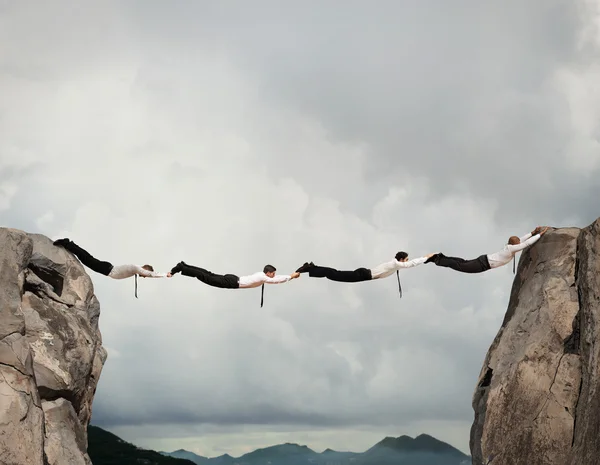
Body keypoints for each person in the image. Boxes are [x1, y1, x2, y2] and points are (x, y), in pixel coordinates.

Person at [53, 238, 169, 297]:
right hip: (107, 269)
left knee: (86, 258)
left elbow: (147, 274)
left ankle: (69, 244)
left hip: (107, 268)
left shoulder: (136, 269)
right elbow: (150, 274)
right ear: (145, 269)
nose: (144, 277)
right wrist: (165, 275)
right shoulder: (136, 268)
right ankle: (68, 243)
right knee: (85, 258)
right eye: (145, 275)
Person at [294, 251, 434, 297]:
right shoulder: (395, 264)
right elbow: (411, 264)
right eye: (406, 259)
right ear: (402, 259)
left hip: (364, 275)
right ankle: (311, 268)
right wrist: (426, 258)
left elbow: (409, 264)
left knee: (335, 275)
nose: (406, 262)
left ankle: (312, 269)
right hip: (363, 275)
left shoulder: (394, 264)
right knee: (335, 275)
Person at [169, 261, 300, 307]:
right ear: (268, 272)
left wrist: (291, 276)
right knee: (206, 277)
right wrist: (291, 276)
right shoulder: (262, 276)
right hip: (231, 282)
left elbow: (275, 279)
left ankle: (184, 266)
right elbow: (276, 281)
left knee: (207, 275)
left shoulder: (261, 276)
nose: (274, 275)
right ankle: (180, 267)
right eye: (273, 273)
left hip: (232, 280)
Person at [425, 226, 550, 274]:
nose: (519, 244)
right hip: (482, 264)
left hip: (483, 261)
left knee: (461, 263)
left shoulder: (509, 246)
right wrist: (540, 235)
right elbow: (525, 243)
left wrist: (532, 232)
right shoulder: (511, 249)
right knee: (460, 265)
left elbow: (521, 240)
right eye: (517, 243)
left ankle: (440, 257)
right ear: (514, 244)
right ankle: (437, 259)